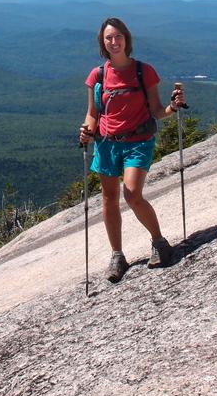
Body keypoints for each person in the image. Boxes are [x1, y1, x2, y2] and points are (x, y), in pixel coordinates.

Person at [78, 17, 186, 282]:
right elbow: (93, 114)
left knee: (133, 193)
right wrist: (87, 130)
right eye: (108, 38)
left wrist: (173, 108)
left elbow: (157, 111)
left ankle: (160, 243)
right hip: (106, 143)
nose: (114, 42)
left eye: (118, 37)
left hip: (138, 141)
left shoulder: (143, 71)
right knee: (108, 199)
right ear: (102, 43)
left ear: (126, 39)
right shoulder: (98, 75)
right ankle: (117, 255)